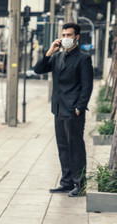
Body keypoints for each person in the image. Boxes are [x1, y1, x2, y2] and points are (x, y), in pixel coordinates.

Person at [34, 22, 93, 197]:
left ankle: (79, 184)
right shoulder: (57, 57)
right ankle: (66, 182)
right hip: (58, 109)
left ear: (76, 37)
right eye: (64, 35)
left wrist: (79, 108)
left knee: (75, 148)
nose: (66, 38)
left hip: (73, 110)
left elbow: (87, 86)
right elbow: (38, 69)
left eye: (69, 35)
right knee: (62, 147)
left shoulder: (83, 58)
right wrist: (50, 52)